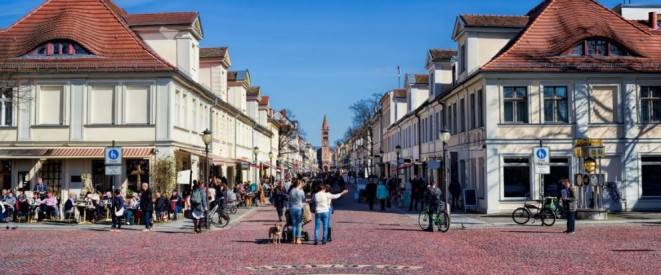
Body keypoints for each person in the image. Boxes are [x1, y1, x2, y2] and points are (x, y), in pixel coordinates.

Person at [288, 179, 305, 244]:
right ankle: (298, 239)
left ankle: (294, 238)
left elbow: (289, 200)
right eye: (301, 184)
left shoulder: (291, 191)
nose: (301, 185)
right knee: (299, 224)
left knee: (294, 224)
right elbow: (304, 199)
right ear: (298, 184)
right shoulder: (301, 192)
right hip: (299, 208)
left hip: (292, 208)